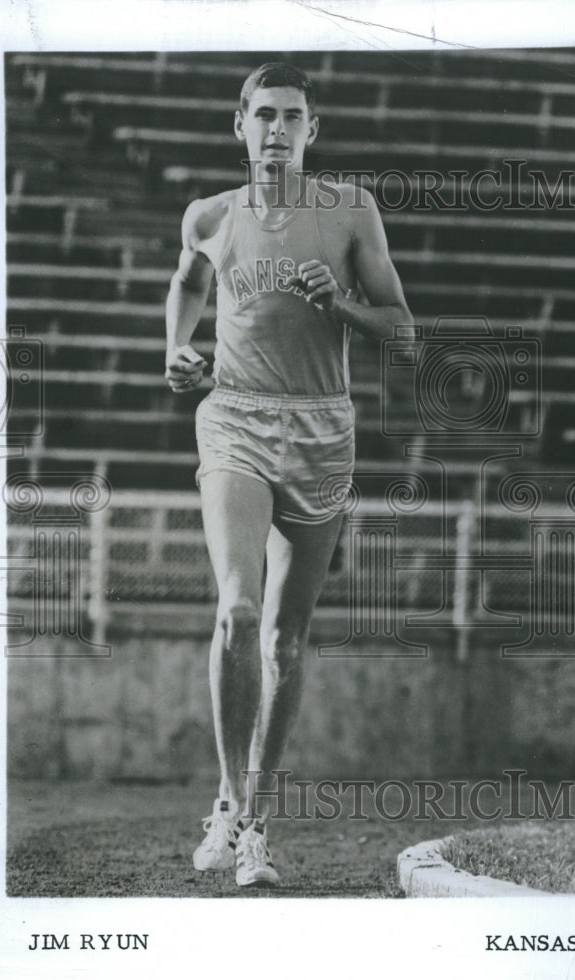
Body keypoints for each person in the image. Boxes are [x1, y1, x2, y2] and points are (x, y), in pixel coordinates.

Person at [165, 62, 412, 887]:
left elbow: (403, 331)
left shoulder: (348, 213)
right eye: (263, 114)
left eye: (293, 117)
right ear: (238, 125)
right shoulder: (209, 214)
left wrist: (337, 301)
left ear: (313, 130)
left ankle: (261, 820)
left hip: (321, 429)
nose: (277, 129)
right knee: (235, 610)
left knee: (283, 637)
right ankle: (230, 806)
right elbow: (188, 282)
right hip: (233, 416)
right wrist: (176, 346)